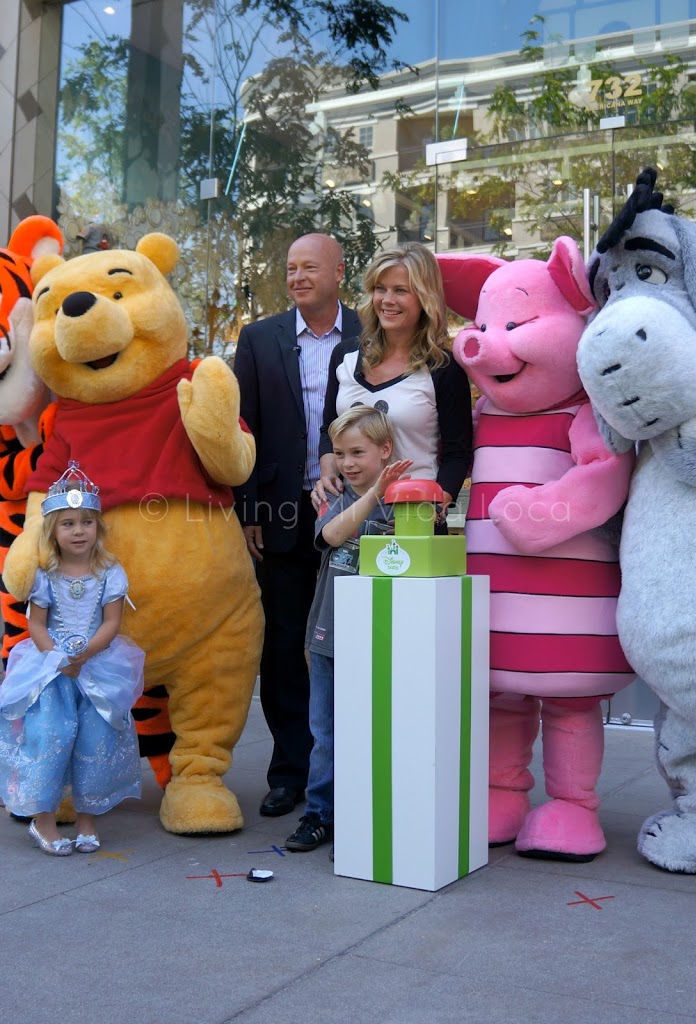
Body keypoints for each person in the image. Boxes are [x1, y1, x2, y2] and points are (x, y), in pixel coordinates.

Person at [233, 233, 362, 818]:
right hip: (282, 517)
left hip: (355, 511)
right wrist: (249, 508)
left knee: (354, 643)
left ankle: (352, 769)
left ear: (339, 271)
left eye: (310, 267)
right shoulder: (260, 338)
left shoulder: (371, 335)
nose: (297, 276)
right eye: (290, 268)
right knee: (284, 647)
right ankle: (290, 771)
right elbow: (245, 425)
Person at [0, 462, 144, 856]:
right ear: (53, 529)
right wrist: (58, 658)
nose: (78, 531)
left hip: (97, 664)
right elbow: (35, 623)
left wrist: (86, 654)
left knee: (96, 736)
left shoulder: (110, 573)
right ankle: (43, 821)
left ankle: (88, 820)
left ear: (97, 528)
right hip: (52, 667)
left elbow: (111, 621)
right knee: (50, 734)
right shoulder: (46, 574)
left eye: (86, 523)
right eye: (68, 523)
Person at [286, 406, 413, 854]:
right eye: (339, 453)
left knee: (373, 731)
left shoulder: (408, 500)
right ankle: (319, 813)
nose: (347, 463)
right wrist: (374, 490)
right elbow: (333, 536)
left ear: (384, 449)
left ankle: (364, 814)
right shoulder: (333, 498)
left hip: (381, 641)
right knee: (326, 733)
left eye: (357, 451)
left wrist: (388, 492)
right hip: (328, 637)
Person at [312, 241, 472, 521]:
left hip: (414, 518)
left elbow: (457, 454)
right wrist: (327, 475)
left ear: (425, 297)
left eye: (401, 290)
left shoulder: (444, 369)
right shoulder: (344, 355)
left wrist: (437, 505)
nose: (387, 300)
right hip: (348, 517)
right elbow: (328, 430)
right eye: (380, 288)